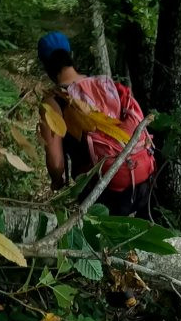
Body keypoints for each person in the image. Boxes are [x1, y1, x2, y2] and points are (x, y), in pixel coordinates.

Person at [37, 31, 155, 217]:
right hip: (142, 182)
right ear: (71, 56)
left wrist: (57, 182)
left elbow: (56, 163)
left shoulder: (54, 102)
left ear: (45, 65)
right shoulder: (105, 85)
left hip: (104, 191)